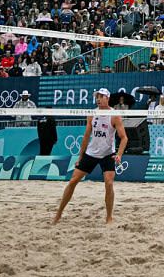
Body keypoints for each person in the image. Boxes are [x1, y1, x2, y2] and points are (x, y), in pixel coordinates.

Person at [52, 88, 128, 225]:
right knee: (73, 181)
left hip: (107, 154)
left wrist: (119, 155)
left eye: (101, 96)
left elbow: (124, 138)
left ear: (108, 98)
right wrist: (80, 157)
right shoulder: (92, 114)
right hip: (91, 153)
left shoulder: (115, 116)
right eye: (97, 97)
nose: (98, 99)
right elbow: (87, 136)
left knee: (109, 184)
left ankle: (109, 217)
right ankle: (58, 214)